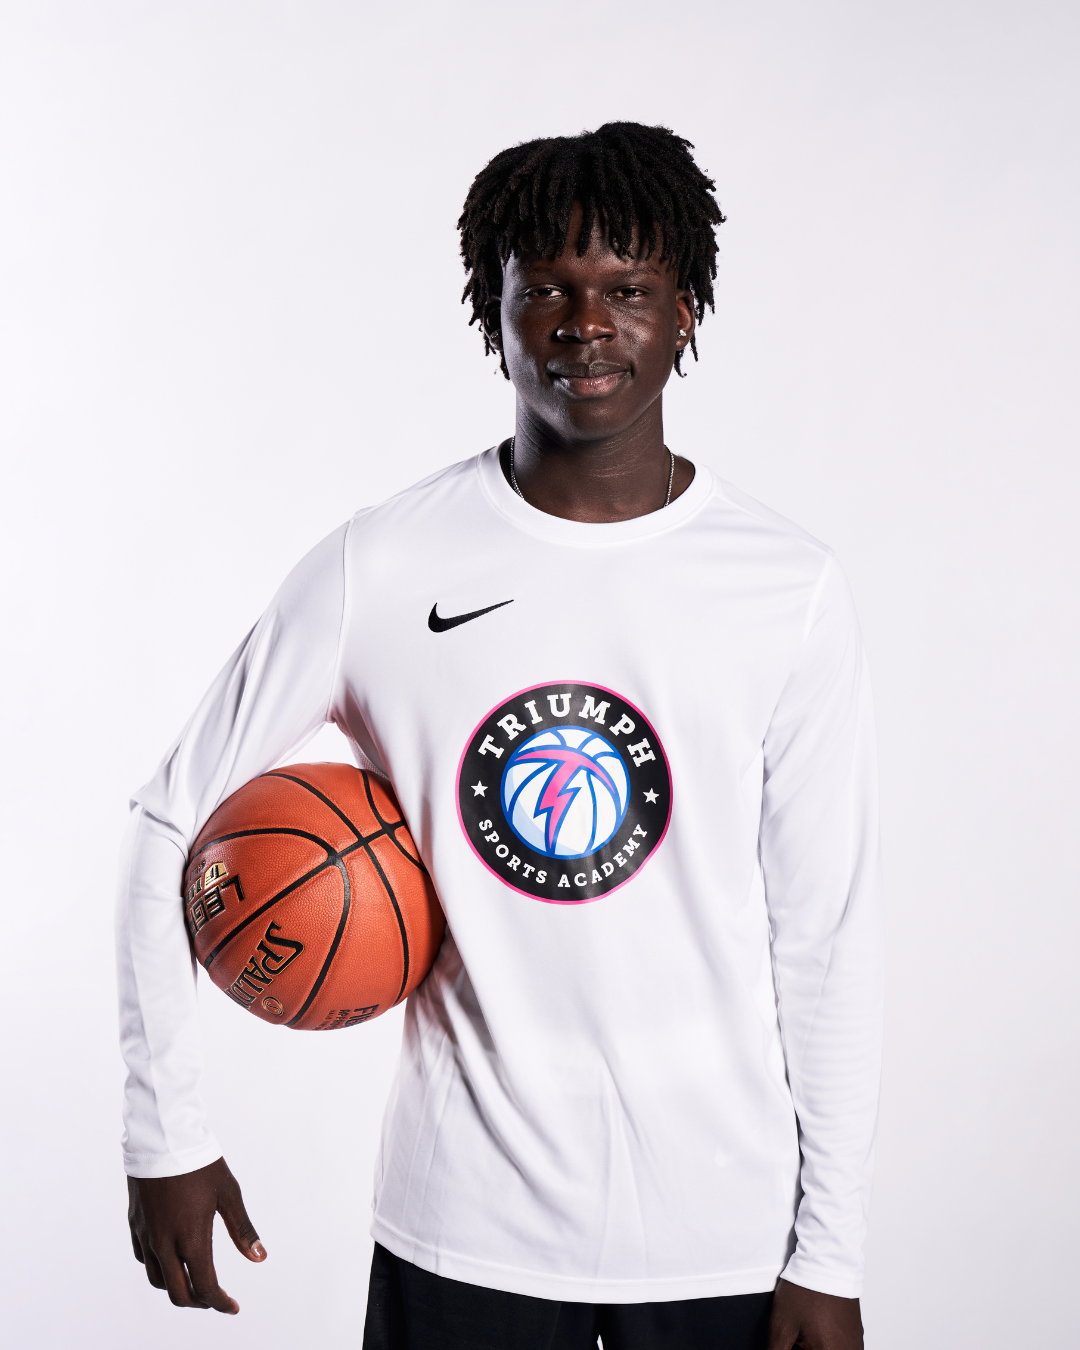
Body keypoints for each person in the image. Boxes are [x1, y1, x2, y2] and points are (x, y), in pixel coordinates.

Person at [119, 122, 883, 1350]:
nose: (588, 325)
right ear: (498, 310)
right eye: (549, 293)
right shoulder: (389, 562)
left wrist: (829, 1247)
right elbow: (169, 817)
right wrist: (166, 1133)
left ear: (687, 308)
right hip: (459, 1225)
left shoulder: (785, 584)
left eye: (628, 289)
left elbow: (827, 937)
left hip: (721, 1232)